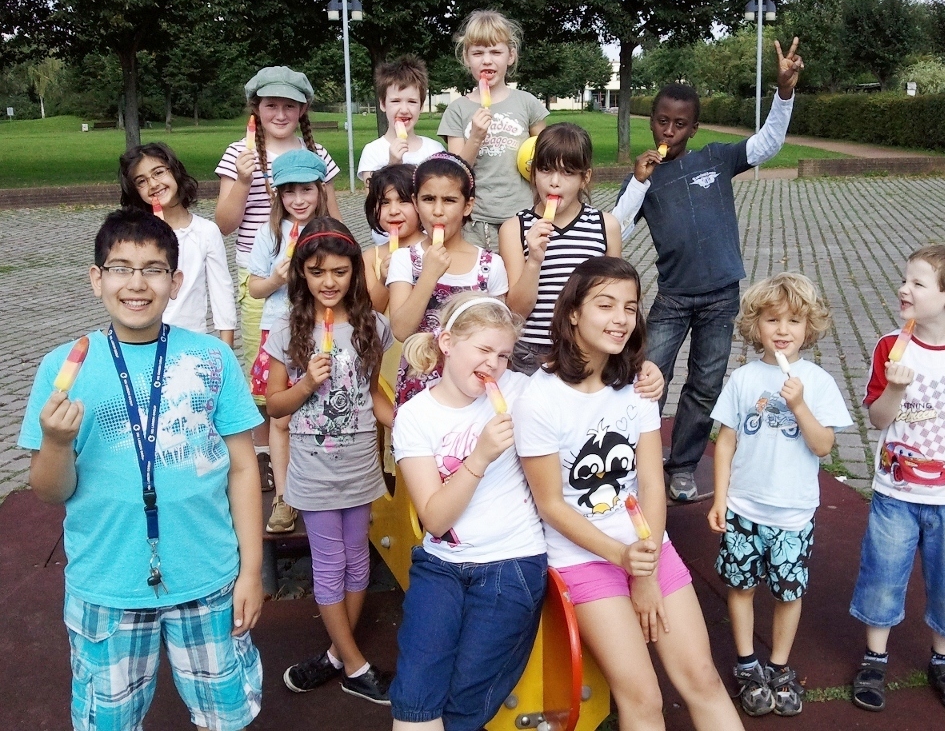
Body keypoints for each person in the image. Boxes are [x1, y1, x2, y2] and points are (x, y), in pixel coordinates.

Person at [18, 209, 264, 731]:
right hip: (107, 583)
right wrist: (58, 443)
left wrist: (250, 571)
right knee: (108, 719)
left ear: (175, 283)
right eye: (120, 267)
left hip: (208, 576)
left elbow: (244, 469)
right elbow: (49, 490)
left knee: (226, 715)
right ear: (96, 279)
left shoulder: (211, 359)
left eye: (153, 269)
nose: (136, 283)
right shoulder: (65, 367)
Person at [514, 257, 744, 731]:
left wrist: (648, 560)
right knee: (642, 698)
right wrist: (626, 560)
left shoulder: (638, 383)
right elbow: (551, 505)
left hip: (646, 548)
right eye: (605, 305)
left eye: (630, 307)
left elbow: (651, 480)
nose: (620, 318)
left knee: (702, 678)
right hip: (585, 557)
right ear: (573, 312)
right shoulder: (539, 399)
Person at [611, 38, 805, 503]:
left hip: (721, 295)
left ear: (694, 127)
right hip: (672, 298)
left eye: (680, 124)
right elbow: (615, 228)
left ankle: (681, 466)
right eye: (662, 121)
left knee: (705, 384)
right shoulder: (644, 176)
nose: (670, 130)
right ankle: (637, 462)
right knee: (649, 376)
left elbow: (768, 144)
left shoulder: (716, 158)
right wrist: (639, 180)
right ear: (650, 120)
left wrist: (783, 93)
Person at [849, 245, 945, 716]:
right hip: (895, 494)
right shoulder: (889, 346)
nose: (904, 288)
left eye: (917, 283)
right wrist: (896, 386)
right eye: (905, 279)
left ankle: (944, 661)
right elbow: (878, 421)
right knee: (881, 578)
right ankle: (874, 658)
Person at [389, 292, 547, 731]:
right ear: (446, 343)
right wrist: (480, 456)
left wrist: (644, 371)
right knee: (415, 699)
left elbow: (588, 372)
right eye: (482, 349)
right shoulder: (415, 417)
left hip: (511, 564)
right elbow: (436, 520)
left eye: (503, 354)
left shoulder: (521, 390)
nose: (494, 364)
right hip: (441, 565)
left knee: (464, 703)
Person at [707, 273, 853, 717]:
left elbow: (823, 445)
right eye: (772, 320)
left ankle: (779, 666)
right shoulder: (744, 379)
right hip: (744, 508)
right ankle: (748, 663)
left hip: (792, 512)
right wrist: (719, 498)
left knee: (789, 591)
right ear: (756, 327)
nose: (783, 330)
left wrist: (799, 406)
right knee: (741, 585)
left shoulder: (818, 382)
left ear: (810, 328)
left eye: (794, 320)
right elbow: (726, 442)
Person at [264, 218, 395, 705]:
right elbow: (275, 406)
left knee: (359, 560)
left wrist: (404, 422)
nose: (329, 282)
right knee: (331, 561)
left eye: (340, 271)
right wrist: (305, 385)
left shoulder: (371, 326)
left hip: (360, 465)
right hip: (313, 471)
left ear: (353, 273)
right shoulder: (285, 331)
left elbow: (372, 397)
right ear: (302, 274)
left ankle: (338, 655)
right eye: (317, 272)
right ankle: (357, 667)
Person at [214, 66, 343, 489]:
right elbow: (225, 222)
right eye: (271, 105)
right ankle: (270, 458)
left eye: (289, 105)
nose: (280, 113)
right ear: (257, 109)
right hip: (261, 276)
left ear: (302, 108)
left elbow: (335, 221)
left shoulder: (317, 154)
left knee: (314, 359)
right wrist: (245, 181)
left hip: (314, 274)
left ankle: (308, 447)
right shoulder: (240, 153)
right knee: (265, 368)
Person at [248, 149, 331, 533]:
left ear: (320, 190)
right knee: (281, 418)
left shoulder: (328, 232)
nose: (298, 200)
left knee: (323, 414)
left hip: (319, 332)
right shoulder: (269, 233)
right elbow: (254, 288)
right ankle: (283, 497)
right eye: (289, 192)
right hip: (280, 333)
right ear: (277, 195)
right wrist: (278, 279)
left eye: (306, 190)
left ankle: (324, 487)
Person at [499, 122, 622, 375]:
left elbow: (616, 299)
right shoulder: (514, 228)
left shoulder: (605, 226)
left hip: (587, 350)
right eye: (545, 170)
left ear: (584, 178)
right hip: (532, 352)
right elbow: (516, 311)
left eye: (567, 172)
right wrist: (534, 260)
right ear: (533, 173)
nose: (554, 183)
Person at [386, 153, 508, 408]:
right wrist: (429, 275)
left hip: (473, 395)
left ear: (467, 206)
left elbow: (499, 338)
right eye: (429, 199)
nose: (438, 211)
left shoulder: (490, 265)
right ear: (416, 204)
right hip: (419, 390)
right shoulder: (405, 259)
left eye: (449, 200)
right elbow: (401, 330)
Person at [438, 9, 547, 248]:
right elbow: (456, 172)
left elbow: (548, 156)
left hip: (523, 215)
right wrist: (475, 137)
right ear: (467, 58)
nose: (487, 60)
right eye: (478, 53)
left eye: (496, 51)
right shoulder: (457, 110)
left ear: (510, 56)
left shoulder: (527, 103)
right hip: (477, 221)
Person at [119, 142, 235, 345]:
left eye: (158, 172)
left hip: (190, 340)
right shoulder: (134, 235)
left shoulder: (205, 232)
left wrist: (226, 349)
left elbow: (222, 294)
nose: (153, 184)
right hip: (141, 340)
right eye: (141, 181)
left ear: (175, 171)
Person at [358, 56, 445, 184]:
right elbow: (374, 201)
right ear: (383, 104)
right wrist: (392, 165)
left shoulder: (435, 150)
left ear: (421, 106)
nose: (404, 109)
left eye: (412, 101)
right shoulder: (373, 151)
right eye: (395, 101)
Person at [362, 164, 425, 314]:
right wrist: (384, 279)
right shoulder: (371, 257)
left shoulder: (435, 250)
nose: (394, 211)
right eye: (384, 202)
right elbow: (370, 311)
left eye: (403, 201)